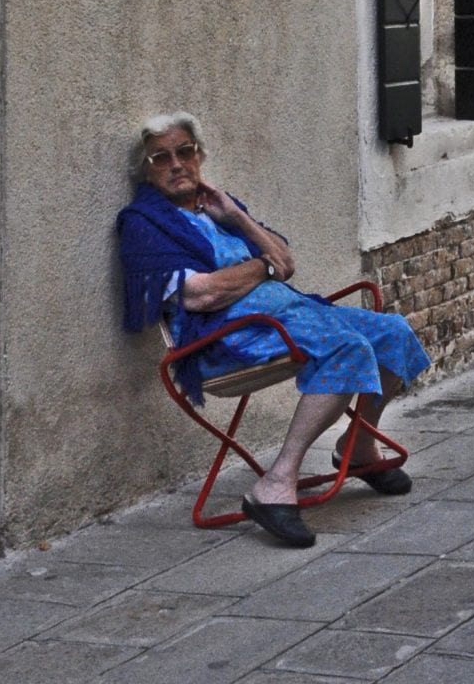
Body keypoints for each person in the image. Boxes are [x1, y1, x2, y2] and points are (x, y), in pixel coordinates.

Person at [117, 111, 430, 547]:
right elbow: (200, 296)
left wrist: (237, 218)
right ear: (146, 172)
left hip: (292, 316)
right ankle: (276, 482)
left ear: (200, 156)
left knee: (393, 331)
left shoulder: (219, 210)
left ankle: (357, 447)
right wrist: (263, 267)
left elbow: (287, 261)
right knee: (346, 347)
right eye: (160, 158)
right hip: (228, 338)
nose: (176, 164)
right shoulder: (142, 225)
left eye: (185, 152)